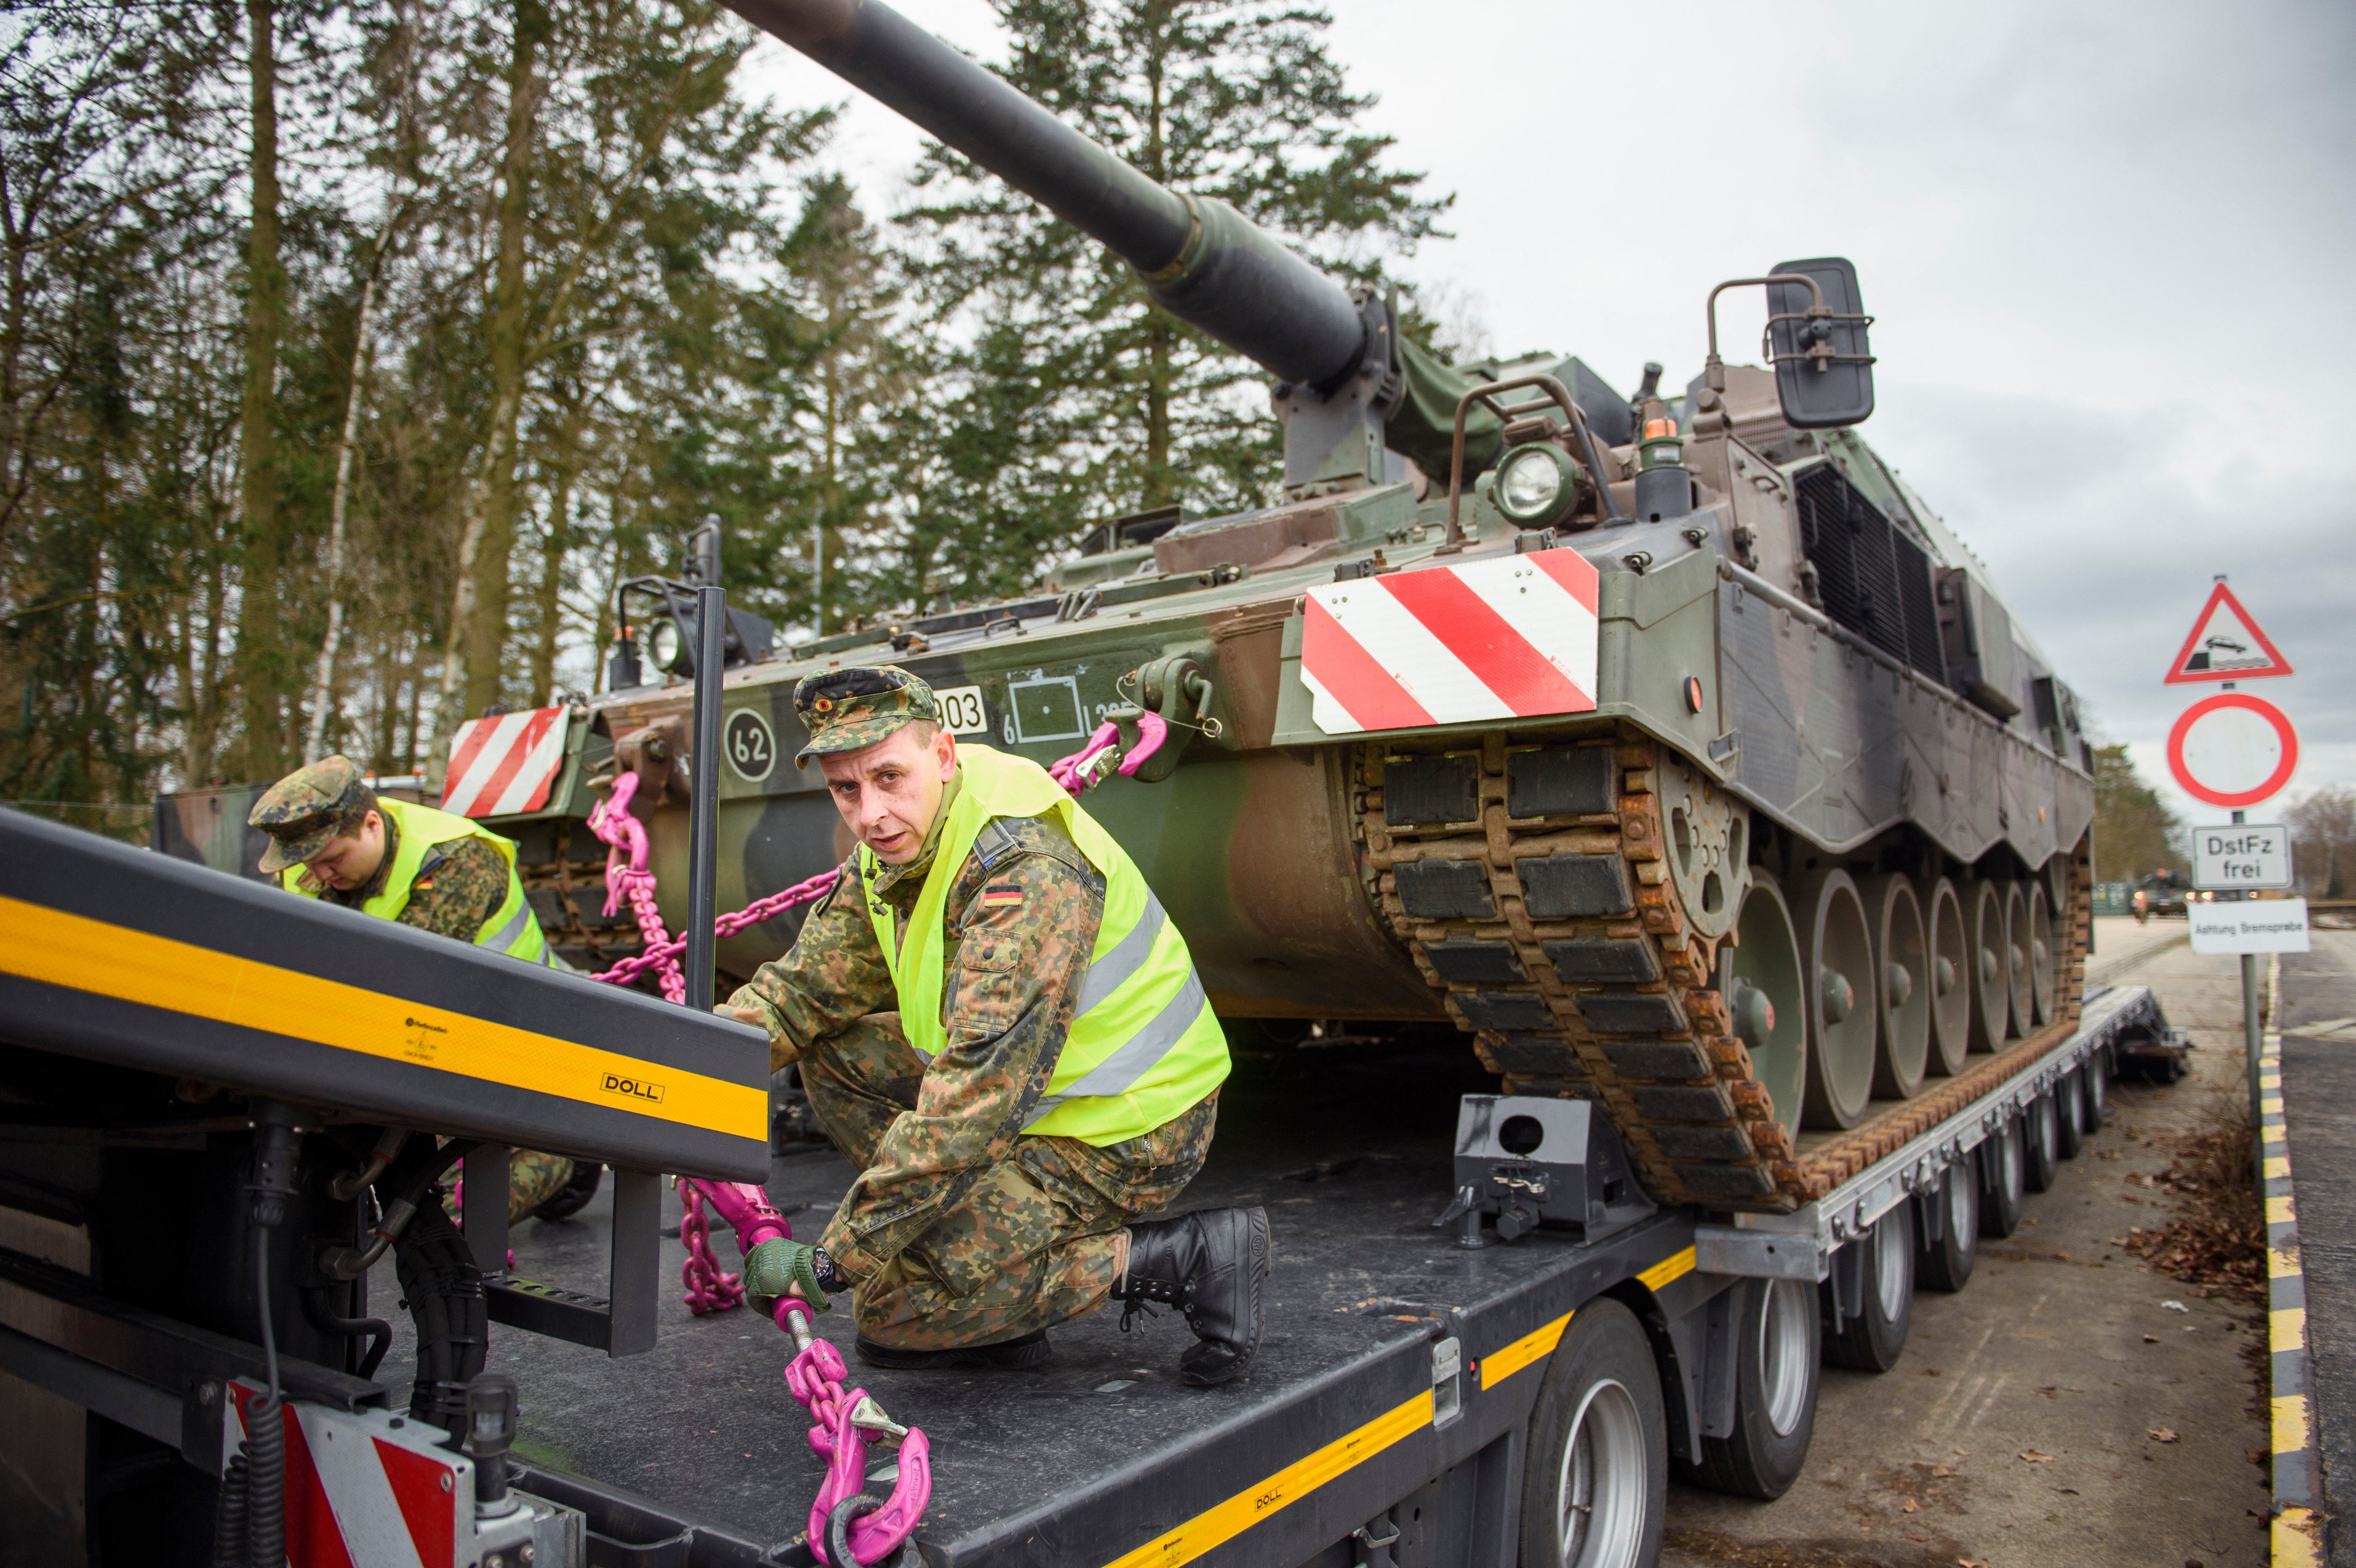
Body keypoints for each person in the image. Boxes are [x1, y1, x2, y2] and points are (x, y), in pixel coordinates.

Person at [722, 666, 1268, 1385]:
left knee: (895, 1310)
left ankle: (1189, 1256)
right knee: (838, 1051)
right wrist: (671, 1084)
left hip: (1128, 1125)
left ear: (943, 756)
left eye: (890, 777)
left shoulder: (1022, 871)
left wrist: (834, 1261)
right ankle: (961, 1256)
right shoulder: (896, 846)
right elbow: (801, 996)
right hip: (1031, 1101)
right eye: (846, 788)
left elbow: (973, 1107)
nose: (870, 813)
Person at [248, 755, 589, 1223]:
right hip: (425, 1044)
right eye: (309, 864)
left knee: (435, 1216)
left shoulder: (455, 859)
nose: (320, 875)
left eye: (332, 860)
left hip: (524, 1043)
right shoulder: (308, 865)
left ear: (372, 825)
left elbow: (401, 985)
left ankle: (570, 1161)